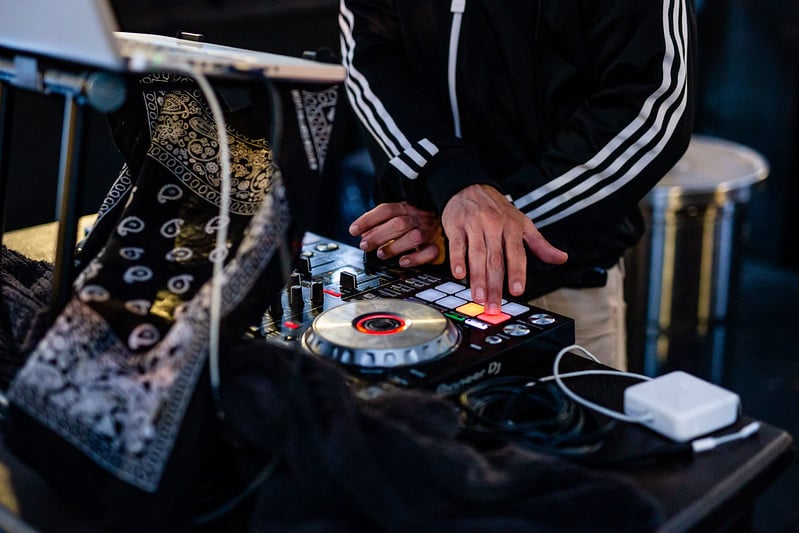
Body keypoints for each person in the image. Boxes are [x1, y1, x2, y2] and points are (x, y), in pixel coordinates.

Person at [339, 0, 696, 369]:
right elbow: (367, 50)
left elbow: (651, 107)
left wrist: (482, 223)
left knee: (569, 422)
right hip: (416, 267)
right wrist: (447, 182)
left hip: (556, 286)